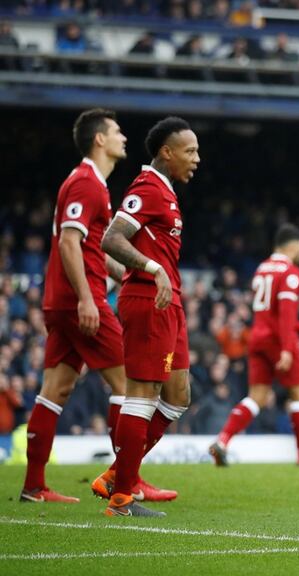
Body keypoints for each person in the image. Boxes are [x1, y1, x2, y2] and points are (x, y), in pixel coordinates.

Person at [21, 109, 135, 503]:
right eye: (117, 131)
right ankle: (124, 485)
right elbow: (70, 243)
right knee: (129, 386)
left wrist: (124, 273)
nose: (124, 137)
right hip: (79, 300)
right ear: (99, 139)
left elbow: (87, 246)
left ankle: (34, 486)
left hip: (62, 301)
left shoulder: (89, 183)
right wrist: (88, 296)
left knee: (56, 389)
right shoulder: (87, 183)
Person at [98, 116, 201, 517]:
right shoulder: (147, 188)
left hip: (167, 301)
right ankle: (122, 497)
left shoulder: (167, 191)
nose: (197, 158)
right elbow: (111, 238)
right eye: (189, 151)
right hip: (149, 301)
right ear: (166, 152)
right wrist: (150, 270)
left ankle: (116, 474)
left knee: (178, 396)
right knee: (141, 394)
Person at [208, 224, 299, 466]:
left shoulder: (262, 269)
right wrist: (286, 347)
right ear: (293, 245)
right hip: (278, 340)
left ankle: (223, 440)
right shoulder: (291, 271)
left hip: (257, 338)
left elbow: (268, 313)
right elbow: (284, 314)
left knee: (256, 397)